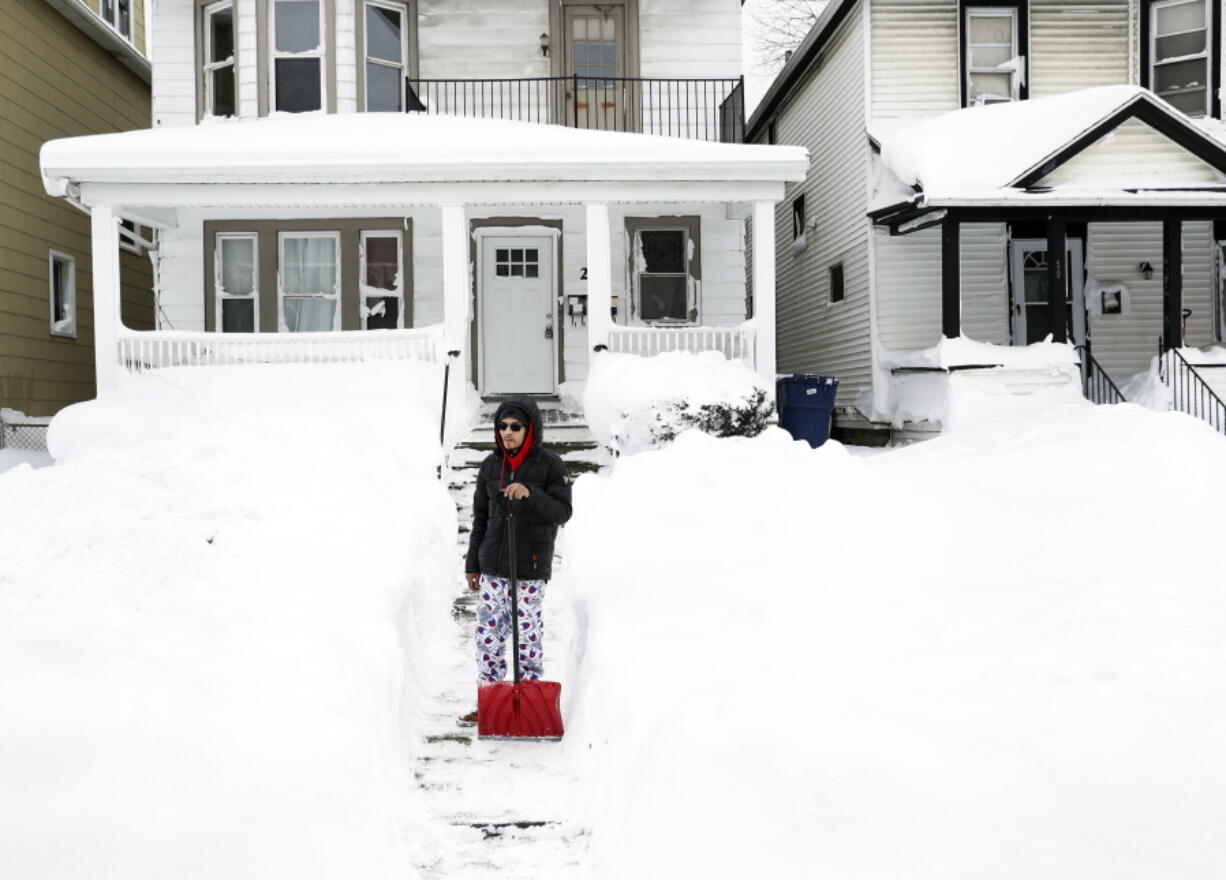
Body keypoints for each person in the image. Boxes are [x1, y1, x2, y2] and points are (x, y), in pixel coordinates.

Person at [458, 397, 572, 727]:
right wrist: (472, 563)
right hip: (493, 566)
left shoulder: (551, 465)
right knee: (489, 636)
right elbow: (480, 518)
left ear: (530, 430)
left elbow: (563, 512)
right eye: (502, 426)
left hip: (530, 566)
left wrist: (531, 495)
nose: (507, 432)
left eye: (515, 427)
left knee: (527, 635)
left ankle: (531, 703)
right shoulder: (491, 466)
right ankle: (490, 702)